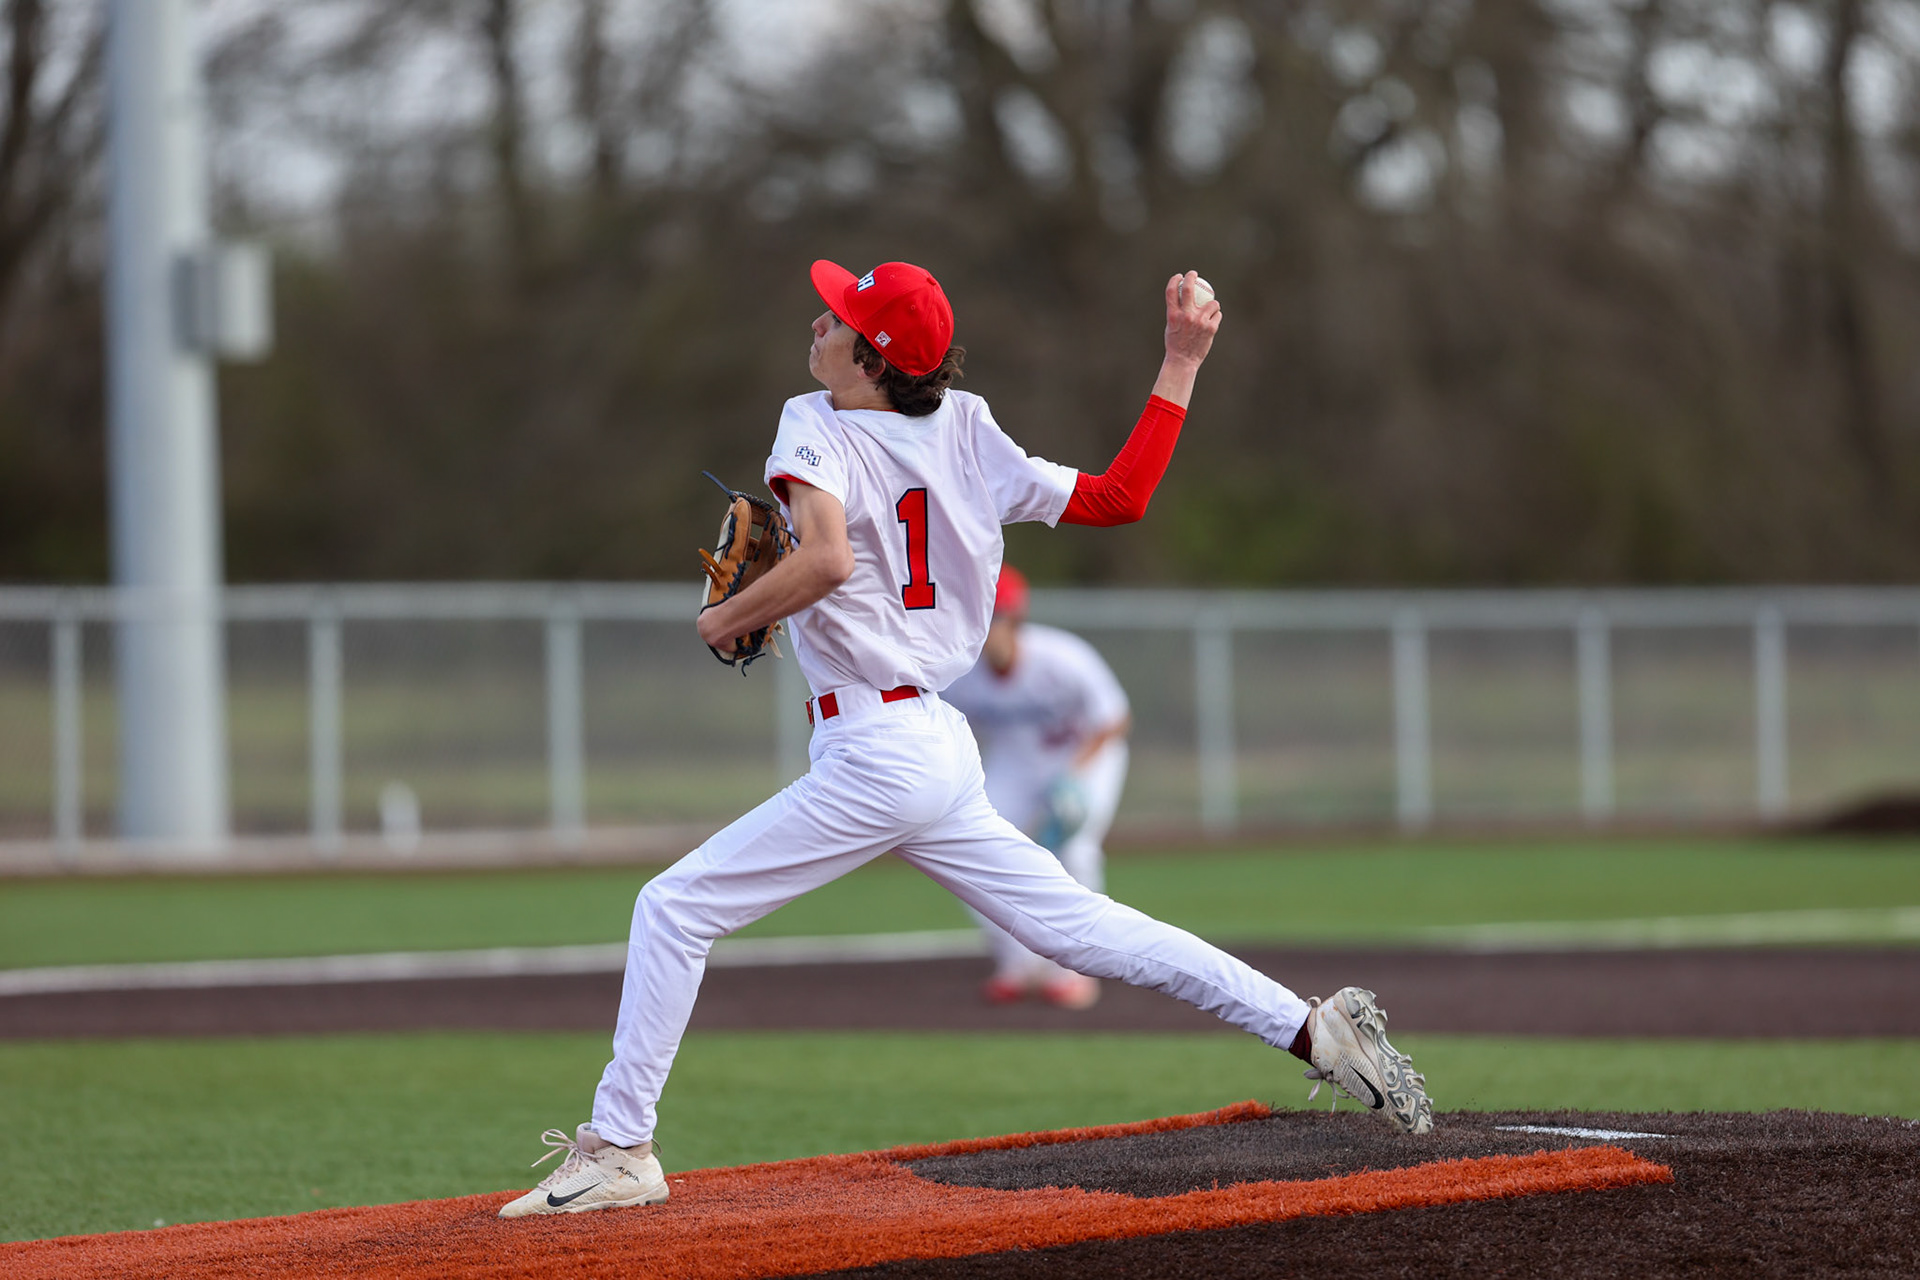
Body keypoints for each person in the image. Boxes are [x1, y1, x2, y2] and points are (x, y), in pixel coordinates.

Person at [500, 260, 1431, 1219]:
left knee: (672, 908)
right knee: (1078, 928)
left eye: (841, 316)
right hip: (935, 744)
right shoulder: (969, 427)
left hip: (877, 747)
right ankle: (1311, 1030)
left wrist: (722, 618)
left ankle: (620, 1148)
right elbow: (1120, 497)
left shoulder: (813, 420)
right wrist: (1181, 362)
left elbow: (825, 558)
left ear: (869, 358)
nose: (820, 320)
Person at [943, 565, 1129, 1010]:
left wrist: (1074, 777)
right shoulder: (959, 669)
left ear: (1014, 619)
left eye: (994, 617)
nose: (985, 630)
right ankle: (1018, 964)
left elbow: (1114, 719)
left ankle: (1077, 969)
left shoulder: (1061, 657)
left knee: (1076, 850)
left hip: (1084, 757)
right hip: (1015, 762)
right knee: (970, 852)